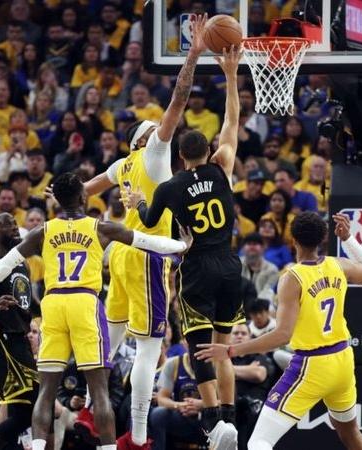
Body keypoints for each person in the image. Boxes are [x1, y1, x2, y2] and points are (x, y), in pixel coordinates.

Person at [77, 15, 208, 450]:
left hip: (119, 255)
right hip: (148, 254)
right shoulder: (153, 155)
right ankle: (139, 435)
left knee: (110, 344)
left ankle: (83, 406)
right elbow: (178, 100)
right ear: (144, 140)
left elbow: (83, 191)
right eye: (154, 130)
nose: (162, 130)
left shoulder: (121, 166)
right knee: (151, 348)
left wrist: (57, 200)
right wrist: (192, 54)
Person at [0, 172, 193, 450]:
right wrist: (181, 246)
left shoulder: (43, 230)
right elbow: (147, 241)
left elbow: (2, 267)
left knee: (46, 389)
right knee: (99, 389)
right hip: (84, 302)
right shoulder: (99, 227)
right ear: (82, 197)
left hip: (53, 304)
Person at [123, 47, 242, 448]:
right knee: (223, 349)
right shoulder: (222, 165)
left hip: (196, 269)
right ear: (207, 152)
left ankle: (213, 422)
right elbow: (232, 120)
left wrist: (136, 201)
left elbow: (150, 213)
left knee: (200, 348)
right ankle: (230, 416)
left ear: (179, 156)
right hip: (230, 263)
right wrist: (229, 75)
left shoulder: (172, 186)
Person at [195, 212, 362, 450]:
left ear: (292, 239)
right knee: (350, 433)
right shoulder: (337, 264)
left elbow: (282, 335)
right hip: (343, 359)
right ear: (324, 239)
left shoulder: (292, 277)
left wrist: (232, 349)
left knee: (259, 442)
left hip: (312, 365)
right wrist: (348, 239)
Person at [0, 213, 38, 449]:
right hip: (3, 339)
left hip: (20, 338)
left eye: (15, 223)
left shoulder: (21, 262)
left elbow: (27, 300)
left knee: (22, 412)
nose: (14, 227)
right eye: (7, 225)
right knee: (33, 404)